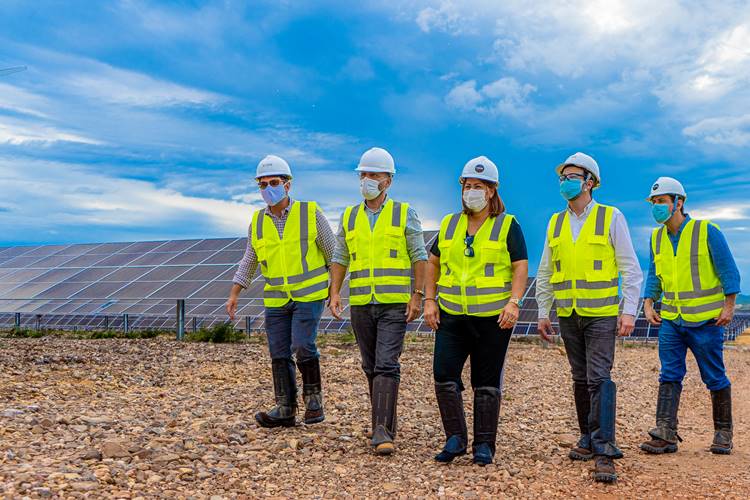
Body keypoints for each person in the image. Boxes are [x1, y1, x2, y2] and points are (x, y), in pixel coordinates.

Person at [536, 152, 643, 483]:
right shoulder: (555, 222)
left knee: (599, 377)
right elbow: (545, 270)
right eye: (563, 177)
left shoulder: (611, 217)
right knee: (580, 378)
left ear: (590, 182)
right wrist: (543, 310)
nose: (565, 182)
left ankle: (605, 450)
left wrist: (629, 311)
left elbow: (630, 268)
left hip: (601, 314)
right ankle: (587, 436)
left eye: (572, 177)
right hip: (568, 313)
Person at [423, 156, 528, 466]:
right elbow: (433, 262)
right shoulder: (449, 224)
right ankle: (455, 438)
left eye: (478, 186)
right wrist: (429, 300)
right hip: (452, 316)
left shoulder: (508, 225)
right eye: (467, 186)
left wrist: (514, 302)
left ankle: (484, 445)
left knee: (486, 381)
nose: (471, 191)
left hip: (493, 319)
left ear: (492, 190)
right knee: (444, 376)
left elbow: (520, 266)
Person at [329, 147, 428, 455]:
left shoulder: (404, 213)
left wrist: (418, 295)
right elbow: (340, 257)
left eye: (374, 175)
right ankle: (385, 423)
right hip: (361, 302)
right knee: (370, 365)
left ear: (389, 180)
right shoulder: (349, 216)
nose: (367, 180)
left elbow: (419, 256)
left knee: (387, 363)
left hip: (394, 304)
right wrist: (335, 292)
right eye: (363, 174)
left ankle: (381, 430)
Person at [227, 155, 336, 428]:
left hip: (309, 295)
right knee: (278, 351)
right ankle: (285, 408)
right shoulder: (257, 222)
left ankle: (314, 401)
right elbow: (250, 259)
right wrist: (235, 292)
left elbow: (333, 253)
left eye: (273, 182)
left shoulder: (310, 213)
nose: (268, 189)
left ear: (288, 185)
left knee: (302, 345)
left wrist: (334, 291)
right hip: (276, 299)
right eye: (262, 184)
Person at [640, 177, 740, 456]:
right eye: (654, 202)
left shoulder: (706, 231)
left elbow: (728, 271)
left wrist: (729, 307)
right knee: (669, 374)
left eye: (661, 201)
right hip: (672, 320)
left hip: (706, 322)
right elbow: (654, 275)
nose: (656, 206)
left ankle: (723, 433)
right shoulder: (656, 237)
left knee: (714, 376)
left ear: (679, 202)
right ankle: (665, 433)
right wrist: (648, 303)